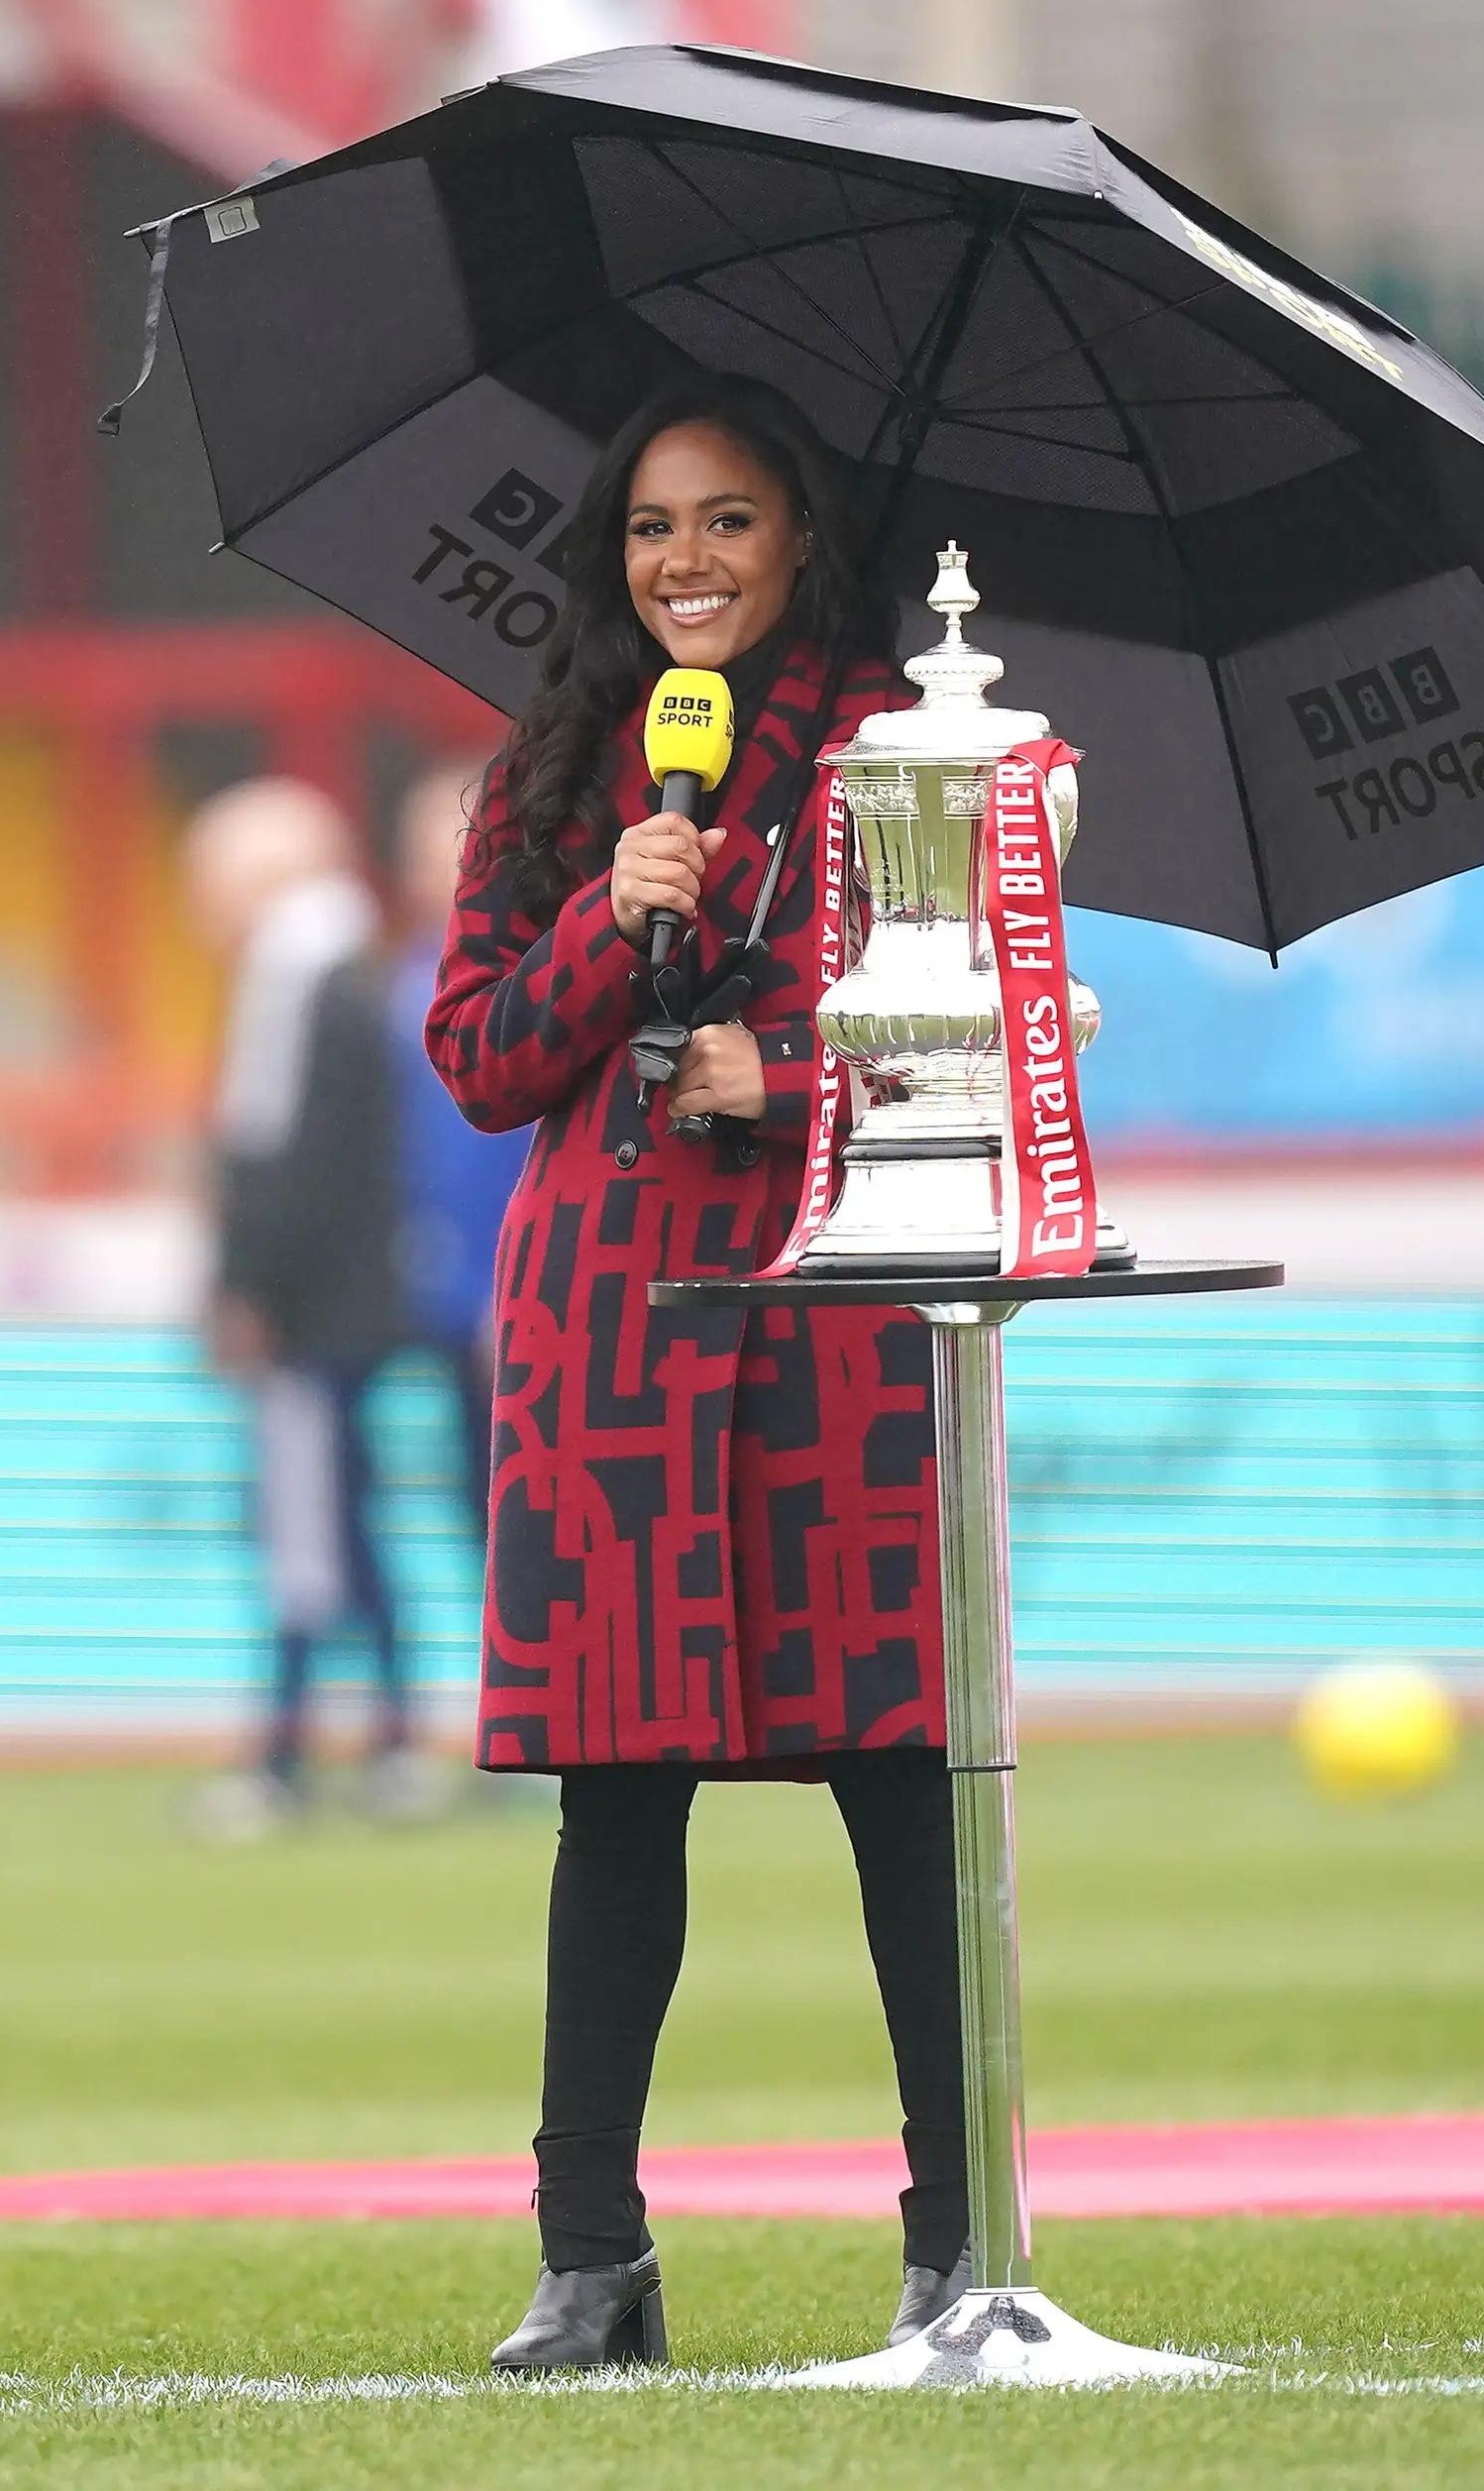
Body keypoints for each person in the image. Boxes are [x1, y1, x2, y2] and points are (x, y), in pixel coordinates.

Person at [425, 371, 963, 2371]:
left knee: (902, 1784)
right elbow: (480, 1057)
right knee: (616, 1798)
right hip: (612, 1336)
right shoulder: (557, 773)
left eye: (730, 521)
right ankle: (591, 2260)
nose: (689, 563)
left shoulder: (903, 756)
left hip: (829, 1326)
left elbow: (961, 1051)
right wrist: (602, 918)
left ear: (802, 539)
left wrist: (790, 1074)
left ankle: (955, 2237)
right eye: (656, 527)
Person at [184, 776, 436, 1836]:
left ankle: (296, 1756)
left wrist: (247, 1293)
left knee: (306, 1532)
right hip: (350, 1307)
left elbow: (274, 1163)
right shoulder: (346, 970)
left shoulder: (295, 979)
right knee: (342, 1523)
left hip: (310, 1318)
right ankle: (384, 1743)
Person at [387, 755, 523, 1534]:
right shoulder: (406, 975)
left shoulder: (518, 988)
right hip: (432, 1287)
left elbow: (507, 1155)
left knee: (507, 1500)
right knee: (469, 1500)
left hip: (496, 1289)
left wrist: (494, 1297)